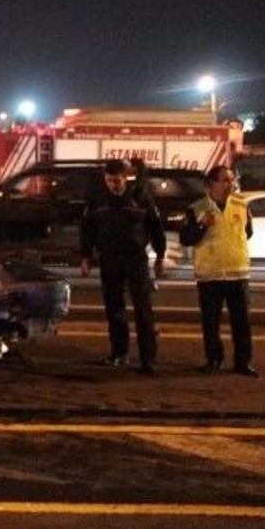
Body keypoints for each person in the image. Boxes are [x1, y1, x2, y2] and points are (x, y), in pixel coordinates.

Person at [79, 159, 166, 374]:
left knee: (143, 310)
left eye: (116, 180)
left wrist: (160, 256)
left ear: (125, 178)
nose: (113, 185)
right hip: (109, 259)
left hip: (135, 258)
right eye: (109, 180)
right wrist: (85, 256)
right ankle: (119, 353)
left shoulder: (140, 198)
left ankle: (148, 360)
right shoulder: (98, 200)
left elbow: (155, 227)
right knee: (114, 308)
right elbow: (87, 229)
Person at [179, 166, 258, 378]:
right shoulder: (197, 208)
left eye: (231, 180)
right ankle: (214, 359)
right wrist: (202, 226)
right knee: (211, 322)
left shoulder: (241, 205)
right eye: (223, 180)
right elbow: (186, 238)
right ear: (210, 184)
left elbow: (248, 232)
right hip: (210, 274)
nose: (229, 185)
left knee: (241, 322)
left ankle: (243, 362)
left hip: (237, 272)